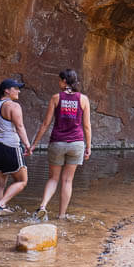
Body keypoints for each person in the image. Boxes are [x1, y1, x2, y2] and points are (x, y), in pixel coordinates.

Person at [28, 69, 91, 220]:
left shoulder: (56, 98)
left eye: (59, 80)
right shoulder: (83, 99)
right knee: (67, 180)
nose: (58, 83)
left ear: (64, 81)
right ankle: (62, 216)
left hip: (57, 142)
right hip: (76, 143)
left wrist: (34, 144)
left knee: (53, 178)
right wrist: (88, 147)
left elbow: (45, 124)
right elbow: (87, 126)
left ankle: (43, 206)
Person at [0, 76, 32, 215]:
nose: (18, 91)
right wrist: (28, 145)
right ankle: (0, 205)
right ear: (6, 91)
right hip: (10, 145)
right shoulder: (14, 106)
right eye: (15, 88)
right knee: (22, 181)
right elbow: (20, 127)